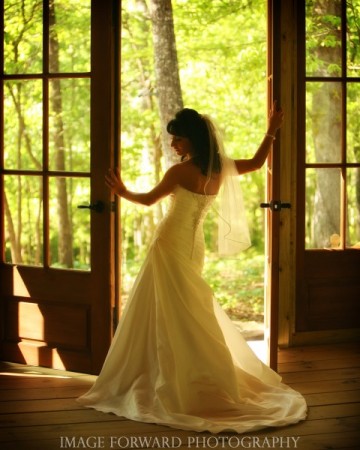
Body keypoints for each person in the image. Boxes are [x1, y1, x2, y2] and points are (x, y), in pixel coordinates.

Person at [77, 102, 307, 434]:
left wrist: (121, 190)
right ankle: (189, 369)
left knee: (171, 308)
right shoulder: (220, 167)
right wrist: (272, 129)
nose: (173, 145)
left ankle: (169, 373)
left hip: (170, 243)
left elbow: (147, 200)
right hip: (192, 246)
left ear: (193, 140)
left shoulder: (179, 172)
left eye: (178, 140)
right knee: (188, 309)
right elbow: (257, 163)